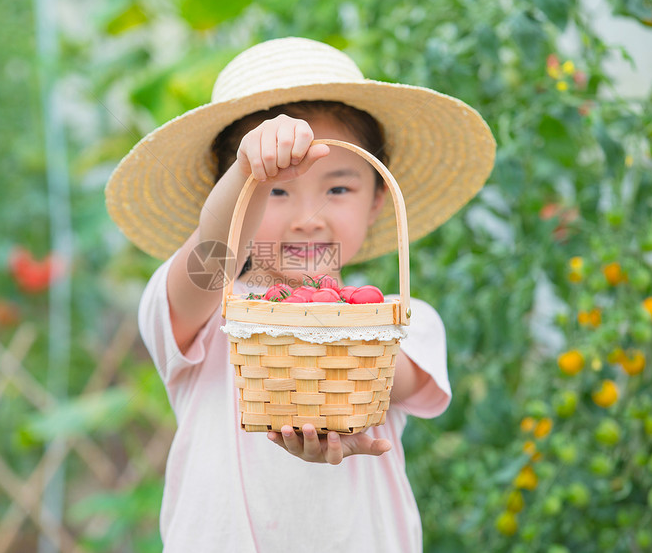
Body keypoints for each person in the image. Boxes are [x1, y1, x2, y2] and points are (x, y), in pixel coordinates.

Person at [105, 37, 495, 552]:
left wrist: (346, 414)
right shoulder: (210, 311)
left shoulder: (397, 318)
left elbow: (387, 376)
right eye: (277, 192)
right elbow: (212, 258)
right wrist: (249, 171)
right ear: (227, 200)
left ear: (378, 200)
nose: (309, 220)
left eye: (338, 189)